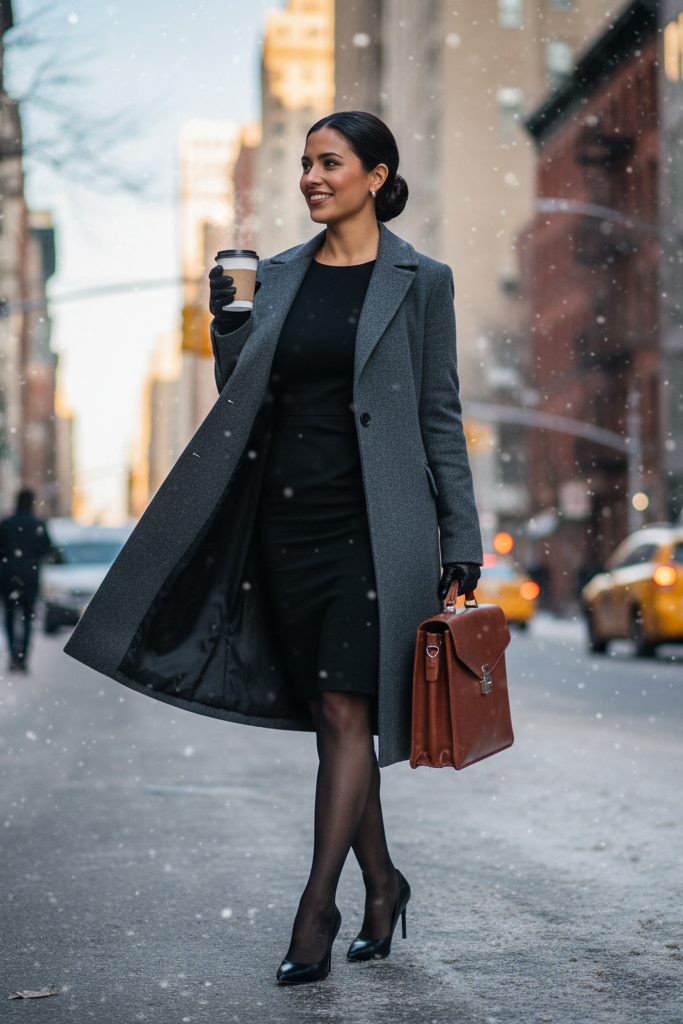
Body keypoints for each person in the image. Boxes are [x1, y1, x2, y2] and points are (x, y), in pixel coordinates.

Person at [64, 110, 482, 985]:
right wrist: (229, 321)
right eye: (304, 165)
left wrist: (461, 538)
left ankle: (316, 907)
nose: (310, 178)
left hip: (376, 530)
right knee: (338, 722)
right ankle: (383, 883)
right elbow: (240, 391)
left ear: (376, 175)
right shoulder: (279, 276)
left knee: (342, 712)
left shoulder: (421, 281)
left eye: (329, 163)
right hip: (284, 528)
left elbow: (437, 413)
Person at [0, 488, 52, 672]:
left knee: (9, 616)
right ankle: (23, 657)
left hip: (8, 577)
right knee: (28, 617)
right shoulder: (37, 524)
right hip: (30, 577)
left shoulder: (6, 523)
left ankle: (13, 653)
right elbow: (46, 549)